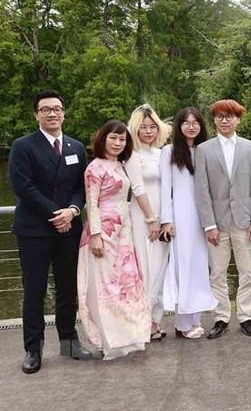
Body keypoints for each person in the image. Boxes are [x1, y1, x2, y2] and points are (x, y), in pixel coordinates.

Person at [9, 90, 93, 373]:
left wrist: (72, 210)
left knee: (67, 289)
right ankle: (33, 348)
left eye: (57, 108)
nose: (52, 113)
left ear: (64, 112)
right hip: (35, 230)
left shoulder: (76, 147)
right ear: (37, 115)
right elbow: (23, 186)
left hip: (70, 229)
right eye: (46, 109)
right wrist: (55, 214)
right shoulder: (23, 146)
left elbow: (82, 187)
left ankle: (69, 342)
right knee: (34, 290)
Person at [77, 120, 150, 359]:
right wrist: (96, 235)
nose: (118, 143)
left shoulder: (120, 165)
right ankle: (108, 339)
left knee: (126, 283)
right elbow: (92, 204)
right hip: (104, 232)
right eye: (113, 138)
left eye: (122, 139)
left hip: (124, 231)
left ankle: (128, 336)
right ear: (103, 139)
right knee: (105, 287)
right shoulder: (94, 168)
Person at [194, 99, 251, 339]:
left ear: (238, 119)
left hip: (245, 221)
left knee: (247, 272)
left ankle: (245, 315)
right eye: (220, 116)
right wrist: (209, 224)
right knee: (217, 273)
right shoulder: (204, 149)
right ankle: (221, 317)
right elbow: (201, 190)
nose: (225, 120)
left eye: (230, 116)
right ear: (214, 120)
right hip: (217, 223)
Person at [160, 108, 217, 339]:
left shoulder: (206, 151)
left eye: (196, 123)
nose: (191, 126)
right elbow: (166, 188)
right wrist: (167, 220)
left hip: (204, 217)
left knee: (200, 268)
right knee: (183, 267)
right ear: (178, 126)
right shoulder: (169, 151)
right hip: (181, 216)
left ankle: (194, 319)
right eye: (186, 122)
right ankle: (182, 323)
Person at [126, 104, 172, 341]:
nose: (148, 131)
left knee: (160, 270)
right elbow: (137, 188)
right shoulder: (132, 154)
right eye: (143, 127)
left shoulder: (163, 153)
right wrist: (151, 219)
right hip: (143, 218)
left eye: (152, 126)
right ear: (135, 129)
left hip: (163, 221)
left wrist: (166, 220)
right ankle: (142, 323)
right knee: (145, 270)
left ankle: (155, 320)